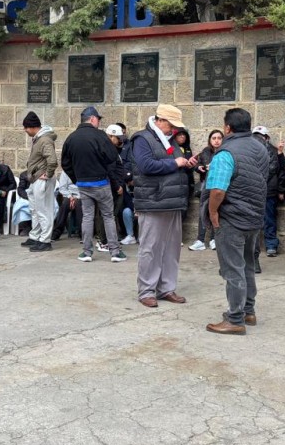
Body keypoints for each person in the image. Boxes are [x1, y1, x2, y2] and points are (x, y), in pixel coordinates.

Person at [205, 108, 269, 335]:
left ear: (227, 127)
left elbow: (218, 190)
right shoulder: (261, 148)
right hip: (254, 217)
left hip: (231, 218)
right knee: (248, 265)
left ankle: (234, 319)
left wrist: (213, 212)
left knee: (233, 269)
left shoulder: (225, 153)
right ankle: (248, 311)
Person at [129, 103, 195, 308]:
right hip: (153, 201)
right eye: (171, 125)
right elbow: (146, 166)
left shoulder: (170, 140)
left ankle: (166, 288)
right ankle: (146, 290)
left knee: (171, 248)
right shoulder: (142, 139)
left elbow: (174, 162)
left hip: (173, 201)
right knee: (150, 248)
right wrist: (176, 163)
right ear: (160, 120)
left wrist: (186, 163)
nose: (174, 129)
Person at [61, 106, 127, 263]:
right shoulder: (100, 136)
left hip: (83, 184)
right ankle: (115, 252)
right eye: (98, 119)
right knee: (108, 216)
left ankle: (87, 252)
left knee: (88, 217)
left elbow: (65, 163)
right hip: (101, 183)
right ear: (92, 119)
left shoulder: (71, 138)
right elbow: (112, 156)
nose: (99, 122)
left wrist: (77, 178)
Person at [20, 111, 58, 251]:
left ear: (32, 127)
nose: (25, 130)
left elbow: (52, 161)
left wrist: (48, 174)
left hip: (42, 180)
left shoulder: (44, 139)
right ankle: (35, 236)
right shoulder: (39, 138)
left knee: (44, 210)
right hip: (36, 179)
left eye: (26, 127)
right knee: (35, 209)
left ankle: (45, 240)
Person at [252, 125, 285, 257]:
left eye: (260, 136)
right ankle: (251, 245)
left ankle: (271, 245)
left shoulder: (275, 151)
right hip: (253, 191)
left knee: (269, 219)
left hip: (269, 191)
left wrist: (281, 190)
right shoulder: (250, 150)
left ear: (267, 138)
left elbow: (281, 172)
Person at [188, 129, 223, 251]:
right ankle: (200, 240)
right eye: (214, 138)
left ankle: (214, 239)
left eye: (219, 138)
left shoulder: (225, 152)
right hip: (206, 186)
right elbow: (197, 165)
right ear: (210, 140)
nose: (216, 141)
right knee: (203, 211)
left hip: (219, 186)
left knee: (217, 211)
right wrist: (200, 168)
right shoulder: (205, 151)